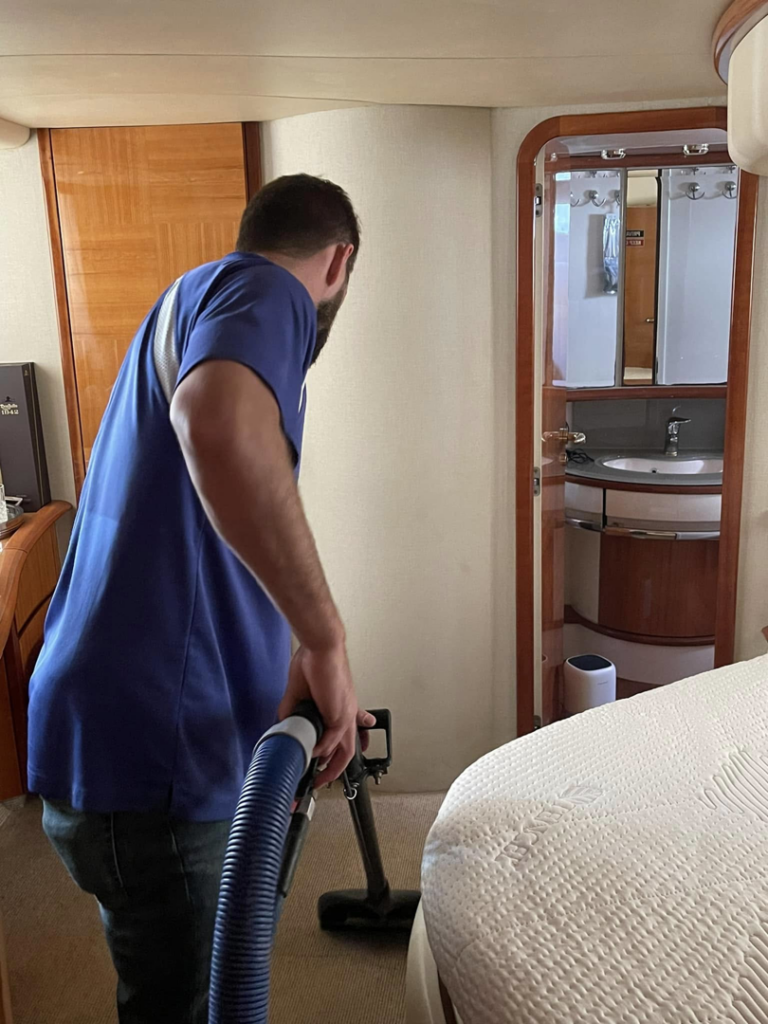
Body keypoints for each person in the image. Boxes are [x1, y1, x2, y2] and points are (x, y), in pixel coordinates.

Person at [27, 173, 372, 1024]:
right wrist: (325, 642)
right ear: (339, 262)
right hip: (150, 761)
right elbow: (217, 423)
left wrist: (286, 667)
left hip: (119, 737)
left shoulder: (189, 300)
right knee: (187, 1000)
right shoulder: (265, 288)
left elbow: (204, 545)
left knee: (169, 980)